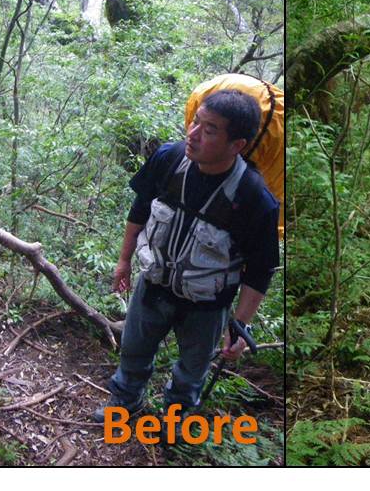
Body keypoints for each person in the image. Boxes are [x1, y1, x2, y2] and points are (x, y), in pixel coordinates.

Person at [95, 89, 280, 421]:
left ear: (237, 144)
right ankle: (124, 404)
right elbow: (139, 209)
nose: (193, 134)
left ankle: (176, 419)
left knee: (192, 371)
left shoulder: (254, 198)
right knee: (133, 352)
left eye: (209, 130)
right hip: (152, 285)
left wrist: (238, 324)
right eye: (196, 121)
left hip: (207, 306)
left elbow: (260, 269)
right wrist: (124, 261)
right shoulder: (169, 159)